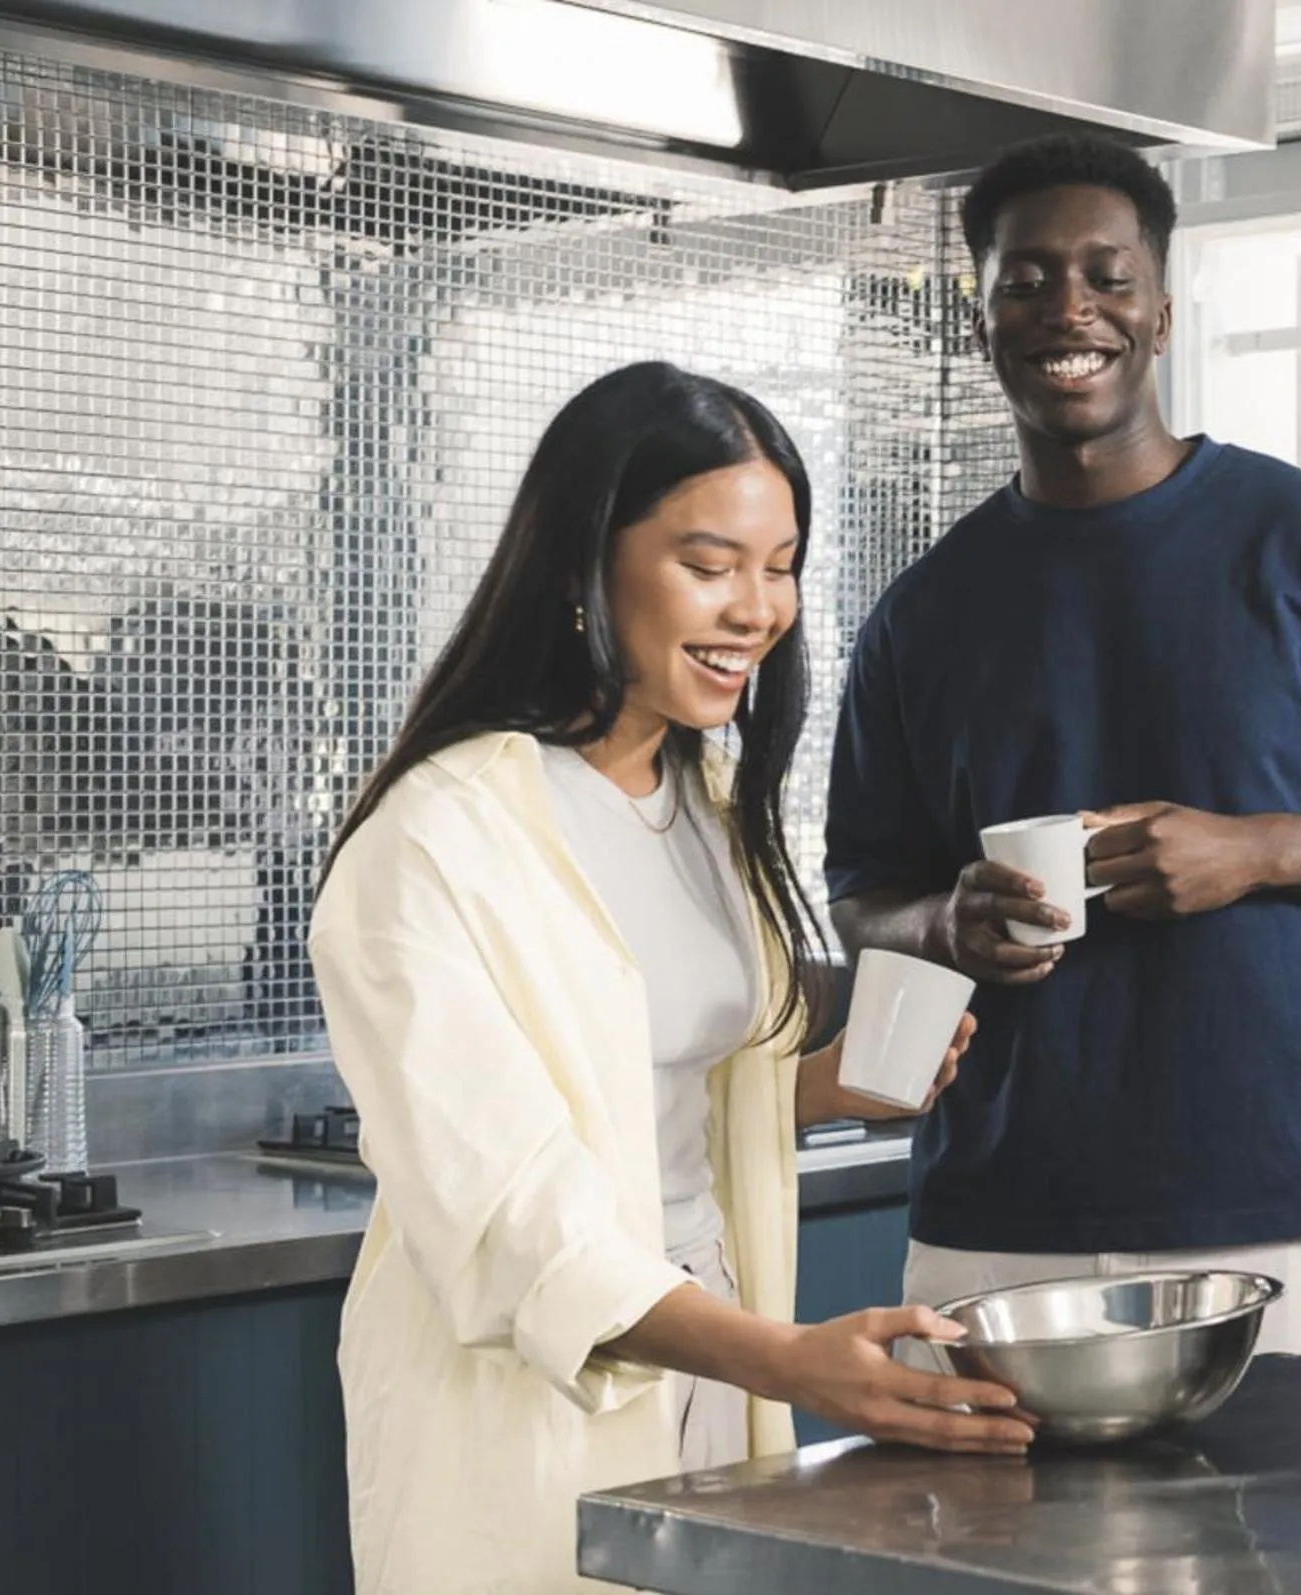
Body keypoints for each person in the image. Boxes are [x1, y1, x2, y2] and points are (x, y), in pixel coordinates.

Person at [310, 362, 1033, 1595]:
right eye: (710, 564)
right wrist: (789, 1360)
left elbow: (650, 1088)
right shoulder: (434, 838)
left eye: (781, 562)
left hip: (715, 1338)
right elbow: (510, 1214)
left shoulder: (700, 800)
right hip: (538, 1379)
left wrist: (812, 1089)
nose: (758, 607)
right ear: (583, 563)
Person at [825, 134, 1301, 1358]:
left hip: (1278, 1218)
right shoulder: (922, 612)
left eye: (1107, 278)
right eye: (1027, 278)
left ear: (1159, 314)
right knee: (957, 1555)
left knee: (1290, 1555)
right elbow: (862, 896)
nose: (1071, 309)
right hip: (994, 1218)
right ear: (982, 314)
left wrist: (1258, 850)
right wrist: (946, 923)